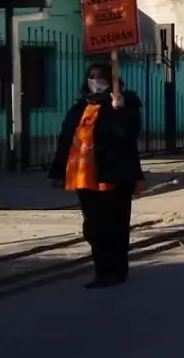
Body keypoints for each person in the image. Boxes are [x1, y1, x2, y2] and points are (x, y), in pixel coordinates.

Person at [49, 63, 145, 289]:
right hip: (84, 176)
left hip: (114, 175)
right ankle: (101, 271)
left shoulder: (126, 103)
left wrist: (118, 110)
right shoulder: (80, 108)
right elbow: (66, 140)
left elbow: (127, 135)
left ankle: (117, 270)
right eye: (91, 77)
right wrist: (57, 172)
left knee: (115, 224)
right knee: (93, 226)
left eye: (100, 77)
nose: (95, 81)